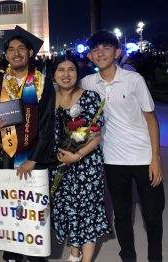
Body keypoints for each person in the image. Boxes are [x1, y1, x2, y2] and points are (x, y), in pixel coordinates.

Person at [81, 30, 165, 262]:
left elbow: (151, 119)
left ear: (117, 52)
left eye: (106, 47)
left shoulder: (133, 79)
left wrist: (155, 158)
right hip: (112, 159)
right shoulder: (88, 82)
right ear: (89, 56)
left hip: (143, 157)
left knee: (153, 214)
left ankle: (155, 257)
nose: (101, 53)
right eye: (95, 49)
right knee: (121, 214)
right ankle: (128, 256)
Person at [0, 27, 54, 262]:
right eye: (11, 49)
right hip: (5, 154)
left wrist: (34, 158)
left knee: (32, 208)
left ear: (30, 52)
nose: (16, 53)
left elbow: (46, 124)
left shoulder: (42, 82)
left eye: (21, 48)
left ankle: (34, 254)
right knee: (8, 204)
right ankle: (12, 252)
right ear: (6, 55)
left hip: (33, 157)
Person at [50, 55, 111, 262]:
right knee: (68, 210)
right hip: (59, 166)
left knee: (86, 212)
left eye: (71, 70)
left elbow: (96, 135)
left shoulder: (90, 97)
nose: (66, 74)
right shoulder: (48, 100)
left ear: (77, 73)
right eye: (61, 69)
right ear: (53, 74)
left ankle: (84, 259)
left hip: (86, 166)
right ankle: (74, 253)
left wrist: (77, 156)